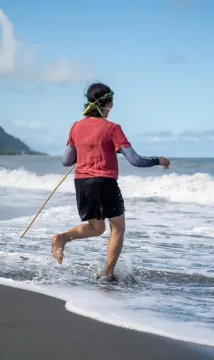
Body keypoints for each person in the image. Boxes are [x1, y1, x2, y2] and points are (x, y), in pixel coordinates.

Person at [51, 82, 170, 281]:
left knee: (97, 228)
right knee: (118, 228)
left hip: (82, 183)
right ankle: (108, 274)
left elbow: (66, 161)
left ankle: (62, 237)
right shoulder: (113, 128)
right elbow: (135, 160)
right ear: (108, 103)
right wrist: (158, 160)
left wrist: (84, 152)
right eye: (112, 102)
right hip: (104, 182)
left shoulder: (76, 127)